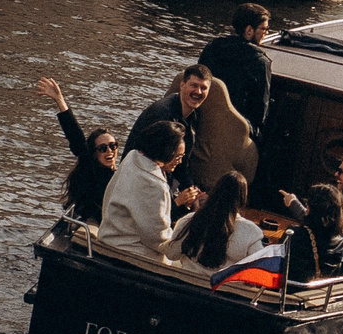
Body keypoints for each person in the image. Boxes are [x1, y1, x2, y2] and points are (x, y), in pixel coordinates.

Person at [125, 64, 213, 210]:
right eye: (194, 85)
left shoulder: (193, 116)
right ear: (182, 85)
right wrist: (176, 202)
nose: (198, 92)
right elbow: (153, 165)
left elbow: (181, 164)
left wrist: (192, 191)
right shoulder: (162, 116)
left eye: (203, 88)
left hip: (163, 184)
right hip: (141, 188)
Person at [37, 75, 118, 224]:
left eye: (113, 146)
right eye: (102, 148)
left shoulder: (119, 172)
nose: (109, 151)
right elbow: (76, 137)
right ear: (94, 153)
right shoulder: (91, 168)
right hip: (96, 220)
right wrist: (60, 101)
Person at [99, 119, 187, 251]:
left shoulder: (133, 156)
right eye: (178, 156)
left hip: (110, 236)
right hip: (131, 250)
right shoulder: (154, 185)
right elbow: (157, 240)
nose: (179, 162)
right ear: (166, 151)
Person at [167, 170, 263, 271]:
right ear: (243, 199)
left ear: (215, 191)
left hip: (187, 282)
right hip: (222, 285)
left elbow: (171, 254)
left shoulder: (190, 220)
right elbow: (258, 270)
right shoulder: (251, 232)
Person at [198, 5, 272, 137]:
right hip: (235, 129)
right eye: (264, 29)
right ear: (249, 30)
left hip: (204, 117)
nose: (266, 33)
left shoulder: (212, 47)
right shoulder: (260, 62)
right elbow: (260, 111)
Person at [285, 183, 343, 280]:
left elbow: (278, 264)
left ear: (309, 208)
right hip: (320, 292)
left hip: (290, 290)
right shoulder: (340, 242)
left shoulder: (294, 234)